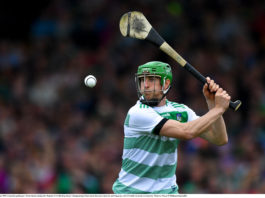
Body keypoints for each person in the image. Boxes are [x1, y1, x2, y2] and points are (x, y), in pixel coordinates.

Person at [112, 61, 231, 194]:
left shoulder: (181, 110)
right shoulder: (137, 113)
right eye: (142, 80)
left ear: (166, 84)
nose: (145, 85)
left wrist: (212, 103)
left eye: (151, 80)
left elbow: (220, 139)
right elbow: (186, 131)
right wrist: (219, 109)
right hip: (132, 193)